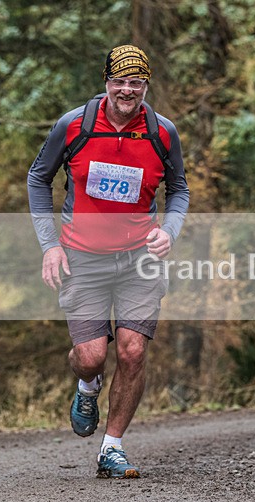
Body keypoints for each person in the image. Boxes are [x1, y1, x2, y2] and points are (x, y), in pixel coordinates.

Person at [27, 45, 190, 479]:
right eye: (119, 81)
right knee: (92, 356)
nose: (127, 90)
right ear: (106, 82)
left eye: (136, 82)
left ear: (145, 85)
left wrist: (167, 232)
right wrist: (50, 245)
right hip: (82, 258)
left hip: (140, 259)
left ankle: (112, 448)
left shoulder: (162, 132)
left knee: (133, 351)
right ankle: (87, 385)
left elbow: (180, 191)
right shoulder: (75, 125)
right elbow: (38, 178)